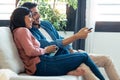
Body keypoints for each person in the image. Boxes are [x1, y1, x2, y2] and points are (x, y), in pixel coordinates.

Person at [21, 2, 120, 80]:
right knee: (84, 68)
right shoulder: (30, 33)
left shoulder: (45, 24)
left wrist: (71, 50)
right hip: (60, 60)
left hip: (69, 53)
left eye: (37, 12)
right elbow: (51, 45)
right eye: (33, 14)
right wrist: (76, 36)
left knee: (106, 59)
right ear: (27, 17)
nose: (38, 16)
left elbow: (60, 39)